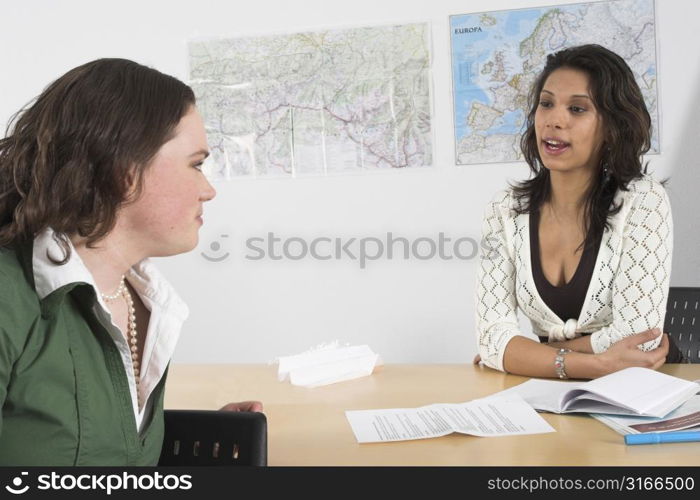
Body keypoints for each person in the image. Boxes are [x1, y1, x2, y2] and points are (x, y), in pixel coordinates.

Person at [0, 58, 261, 465]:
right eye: (196, 164)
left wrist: (191, 448)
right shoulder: (8, 298)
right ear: (127, 172)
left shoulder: (144, 299)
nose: (208, 190)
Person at [475, 44, 680, 380]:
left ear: (613, 126)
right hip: (548, 389)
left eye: (577, 109)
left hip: (643, 386)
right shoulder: (504, 209)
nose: (555, 120)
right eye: (546, 103)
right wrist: (590, 363)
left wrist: (524, 355)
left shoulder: (644, 200)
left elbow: (638, 342)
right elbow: (490, 338)